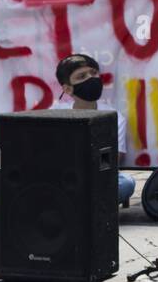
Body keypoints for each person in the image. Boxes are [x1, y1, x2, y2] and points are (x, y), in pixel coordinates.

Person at [53, 53, 135, 205]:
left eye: (93, 73)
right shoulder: (55, 114)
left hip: (95, 179)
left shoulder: (114, 116)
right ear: (68, 89)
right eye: (81, 76)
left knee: (126, 183)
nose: (91, 78)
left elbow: (112, 161)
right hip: (62, 179)